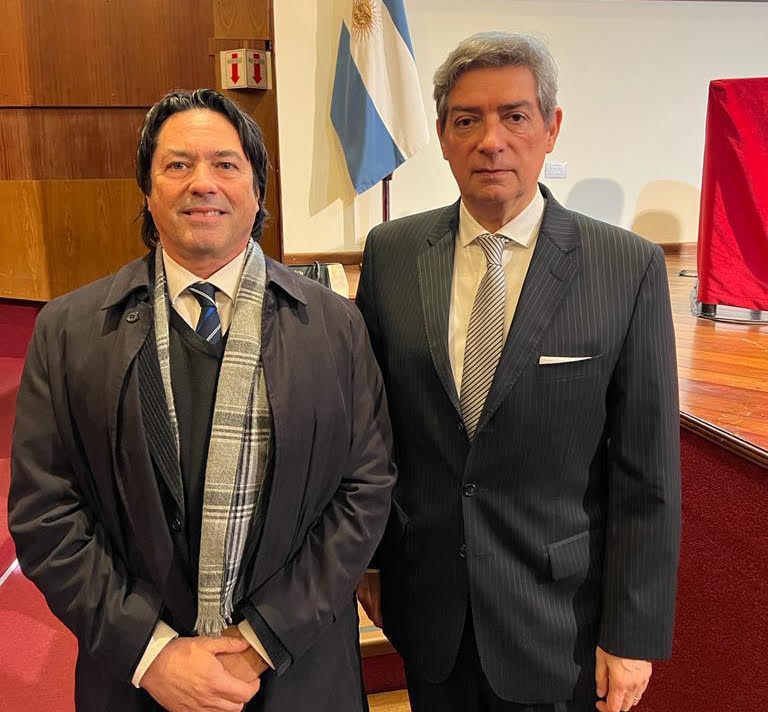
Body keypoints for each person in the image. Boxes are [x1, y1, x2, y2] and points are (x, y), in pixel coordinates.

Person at [9, 88, 396, 712]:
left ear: (257, 188)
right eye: (177, 165)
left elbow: (366, 488)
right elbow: (46, 513)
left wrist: (261, 639)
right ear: (147, 189)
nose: (202, 183)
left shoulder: (331, 325)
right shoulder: (69, 329)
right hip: (137, 679)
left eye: (225, 164)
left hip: (298, 670)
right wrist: (151, 652)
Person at [355, 32, 680, 712]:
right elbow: (375, 433)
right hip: (429, 610)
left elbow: (646, 471)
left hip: (559, 621)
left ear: (550, 127)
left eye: (515, 116)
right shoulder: (391, 253)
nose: (490, 140)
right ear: (442, 137)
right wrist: (379, 560)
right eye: (466, 120)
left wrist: (632, 634)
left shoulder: (625, 267)